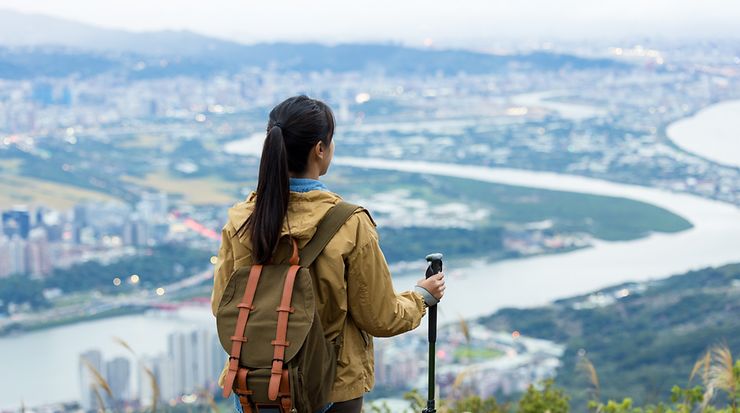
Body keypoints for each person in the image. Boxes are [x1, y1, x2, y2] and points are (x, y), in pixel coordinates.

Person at [210, 95, 446, 413]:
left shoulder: (242, 219)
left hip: (256, 387)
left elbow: (222, 305)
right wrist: (422, 297)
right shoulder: (349, 223)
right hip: (330, 388)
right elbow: (380, 317)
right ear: (320, 149)